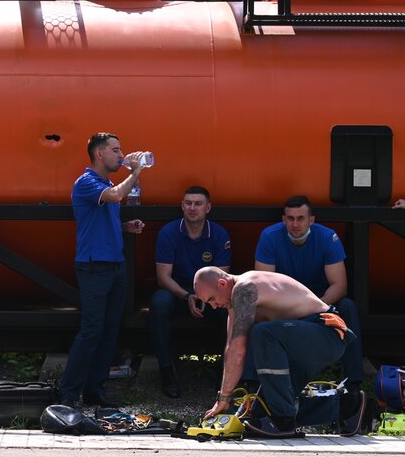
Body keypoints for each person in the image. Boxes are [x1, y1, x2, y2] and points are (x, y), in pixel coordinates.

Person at [193, 267, 354, 438]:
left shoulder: (244, 288)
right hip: (301, 345)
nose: (213, 306)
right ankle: (348, 407)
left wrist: (225, 398)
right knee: (261, 414)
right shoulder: (234, 304)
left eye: (212, 299)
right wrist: (223, 399)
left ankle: (284, 421)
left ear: (222, 283)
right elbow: (231, 350)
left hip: (328, 334)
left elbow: (239, 349)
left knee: (263, 333)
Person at [59, 132, 147, 408]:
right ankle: (68, 393)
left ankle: (94, 390)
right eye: (116, 150)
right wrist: (136, 171)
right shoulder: (86, 182)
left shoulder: (106, 183)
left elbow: (99, 222)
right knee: (92, 329)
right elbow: (118, 195)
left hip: (115, 265)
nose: (121, 155)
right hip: (94, 266)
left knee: (109, 330)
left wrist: (125, 227)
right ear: (100, 154)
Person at [254, 196, 363, 395]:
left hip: (320, 300)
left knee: (348, 307)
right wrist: (290, 309)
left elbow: (339, 286)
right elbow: (263, 288)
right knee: (253, 315)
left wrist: (314, 307)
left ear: (311, 220)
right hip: (282, 303)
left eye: (301, 218)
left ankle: (354, 384)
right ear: (283, 219)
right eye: (290, 218)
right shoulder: (269, 236)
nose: (295, 224)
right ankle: (251, 383)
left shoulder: (327, 237)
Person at [149, 185, 231, 398]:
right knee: (159, 303)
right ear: (182, 206)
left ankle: (226, 374)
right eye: (188, 203)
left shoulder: (219, 234)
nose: (192, 208)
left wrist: (203, 296)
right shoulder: (169, 232)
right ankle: (167, 371)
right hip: (178, 291)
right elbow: (163, 277)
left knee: (231, 309)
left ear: (208, 208)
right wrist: (187, 296)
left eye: (198, 204)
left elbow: (221, 278)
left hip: (209, 293)